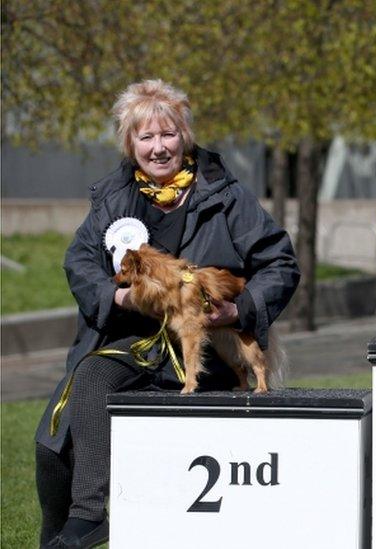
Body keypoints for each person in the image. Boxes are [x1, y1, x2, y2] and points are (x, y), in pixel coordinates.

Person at [34, 79, 300, 548]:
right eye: (146, 137)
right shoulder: (112, 198)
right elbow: (78, 262)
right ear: (130, 143)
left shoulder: (225, 194)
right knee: (56, 432)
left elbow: (280, 262)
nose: (159, 148)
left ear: (186, 136)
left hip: (206, 348)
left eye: (168, 134)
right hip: (132, 345)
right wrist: (115, 298)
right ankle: (85, 518)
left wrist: (241, 310)